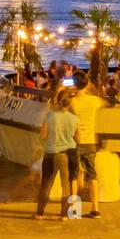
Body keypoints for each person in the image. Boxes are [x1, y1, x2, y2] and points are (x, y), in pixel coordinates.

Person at [34, 89, 79, 219]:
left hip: (50, 153)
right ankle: (64, 215)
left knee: (46, 184)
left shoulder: (49, 116)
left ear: (58, 102)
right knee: (65, 185)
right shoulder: (74, 119)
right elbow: (78, 138)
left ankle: (39, 213)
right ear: (69, 103)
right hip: (66, 154)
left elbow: (43, 135)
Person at [71, 75, 106, 219]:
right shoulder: (94, 101)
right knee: (92, 175)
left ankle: (74, 210)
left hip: (75, 142)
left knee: (73, 176)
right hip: (90, 141)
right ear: (87, 84)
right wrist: (90, 88)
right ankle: (95, 209)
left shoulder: (72, 102)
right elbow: (104, 102)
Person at [92, 139, 120, 204]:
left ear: (95, 144)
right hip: (115, 197)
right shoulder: (115, 156)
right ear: (107, 144)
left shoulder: (92, 157)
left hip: (98, 198)